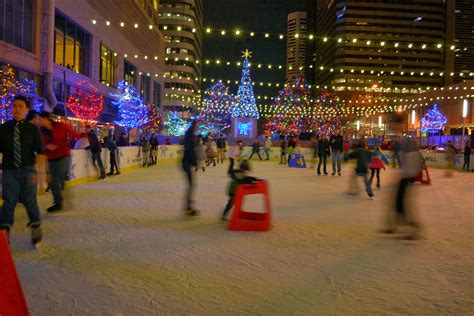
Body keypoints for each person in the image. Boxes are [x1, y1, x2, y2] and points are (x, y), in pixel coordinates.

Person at [0, 96, 46, 245]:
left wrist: (41, 174)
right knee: (8, 201)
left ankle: (35, 225)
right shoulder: (4, 128)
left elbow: (40, 152)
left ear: (26, 110)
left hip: (28, 169)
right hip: (9, 170)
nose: (17, 109)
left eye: (20, 106)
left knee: (30, 201)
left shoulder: (33, 129)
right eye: (14, 106)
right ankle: (4, 231)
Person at [381, 137, 423, 238]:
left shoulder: (410, 152)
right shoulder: (412, 151)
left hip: (406, 178)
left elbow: (410, 168)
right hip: (405, 178)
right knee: (396, 202)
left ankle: (413, 228)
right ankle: (393, 226)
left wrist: (404, 176)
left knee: (399, 204)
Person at [37, 111, 79, 212]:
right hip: (51, 158)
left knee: (57, 177)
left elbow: (73, 133)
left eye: (40, 119)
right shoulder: (41, 132)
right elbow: (40, 146)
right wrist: (47, 146)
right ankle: (58, 202)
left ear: (46, 118)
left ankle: (62, 188)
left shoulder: (60, 125)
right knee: (52, 181)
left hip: (63, 155)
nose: (38, 121)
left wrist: (82, 136)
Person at [182, 121, 199, 216]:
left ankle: (188, 206)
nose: (198, 127)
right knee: (191, 185)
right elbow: (189, 149)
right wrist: (195, 162)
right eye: (197, 125)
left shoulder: (190, 133)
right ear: (194, 125)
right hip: (186, 162)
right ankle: (188, 207)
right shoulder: (189, 134)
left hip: (187, 162)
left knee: (191, 185)